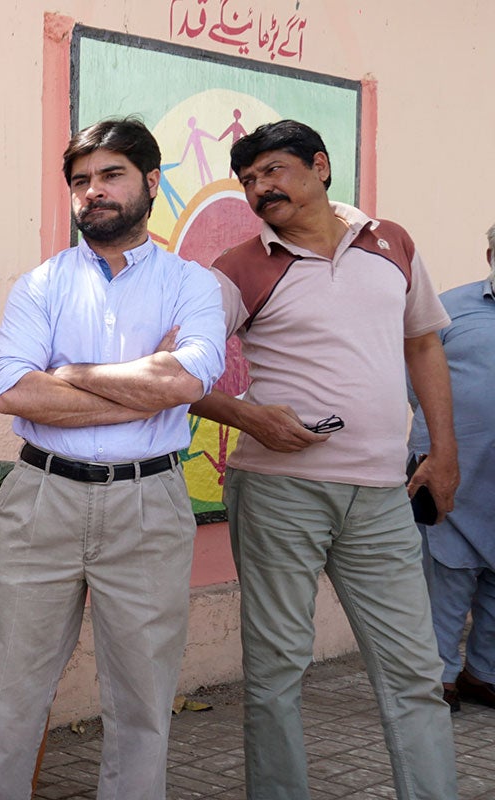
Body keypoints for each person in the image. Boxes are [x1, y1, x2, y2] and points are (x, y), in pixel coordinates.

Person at [0, 117, 227, 799]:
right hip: (41, 500)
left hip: (148, 505)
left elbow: (186, 384)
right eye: (81, 181)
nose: (93, 192)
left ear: (152, 183)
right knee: (4, 705)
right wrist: (143, 383)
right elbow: (13, 391)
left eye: (111, 176)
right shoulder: (41, 285)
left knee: (141, 709)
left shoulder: (192, 284)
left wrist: (70, 373)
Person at [192, 119, 458, 799]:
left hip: (381, 494)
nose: (259, 189)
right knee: (276, 673)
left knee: (415, 672)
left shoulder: (392, 243)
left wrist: (442, 452)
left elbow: (423, 344)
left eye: (273, 171)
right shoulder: (240, 268)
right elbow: (180, 373)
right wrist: (248, 414)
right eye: (249, 180)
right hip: (280, 492)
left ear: (321, 166)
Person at [408, 222, 495, 713]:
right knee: (446, 579)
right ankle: (435, 678)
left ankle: (483, 674)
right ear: (489, 255)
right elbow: (410, 377)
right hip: (453, 477)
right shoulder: (448, 309)